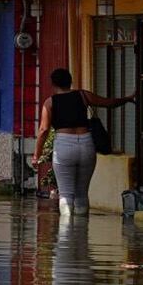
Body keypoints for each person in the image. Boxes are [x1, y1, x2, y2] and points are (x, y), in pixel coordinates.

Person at [34, 68, 136, 217]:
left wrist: (36, 155)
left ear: (53, 84)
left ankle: (66, 234)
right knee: (82, 194)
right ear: (71, 82)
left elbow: (43, 130)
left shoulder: (50, 103)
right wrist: (127, 98)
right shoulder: (83, 95)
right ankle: (82, 235)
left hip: (64, 146)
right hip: (87, 144)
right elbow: (108, 103)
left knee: (66, 194)